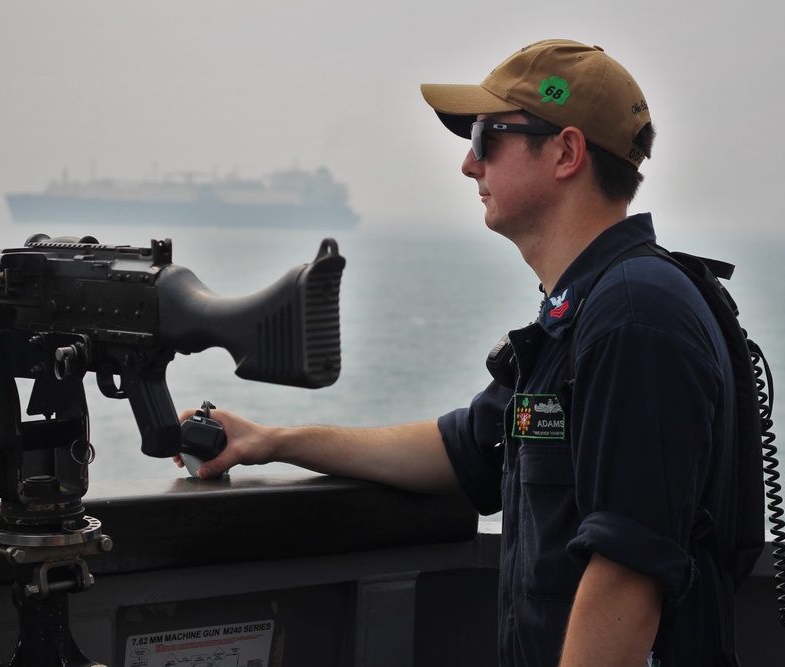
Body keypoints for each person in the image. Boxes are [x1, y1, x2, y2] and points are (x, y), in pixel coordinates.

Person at [177, 39, 741, 667]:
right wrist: (275, 440)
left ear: (566, 152)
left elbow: (628, 575)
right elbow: (463, 447)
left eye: (484, 138)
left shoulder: (634, 315)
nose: (469, 167)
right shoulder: (583, 314)